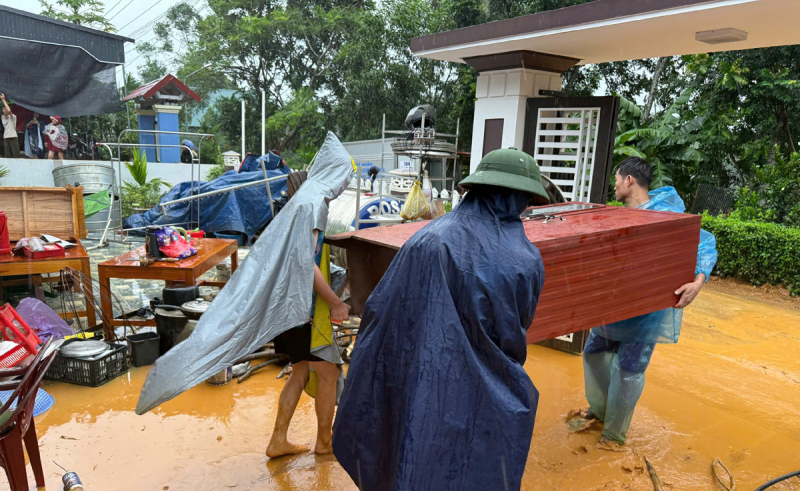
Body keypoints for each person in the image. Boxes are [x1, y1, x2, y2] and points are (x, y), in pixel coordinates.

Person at [332, 147, 551, 491]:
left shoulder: (426, 239)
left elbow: (381, 312)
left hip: (419, 378)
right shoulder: (526, 258)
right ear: (520, 198)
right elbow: (516, 331)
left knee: (411, 456)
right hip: (483, 391)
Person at [576, 157, 718, 446]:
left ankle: (614, 435)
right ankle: (602, 411)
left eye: (617, 178)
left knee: (629, 371)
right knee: (593, 354)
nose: (613, 184)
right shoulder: (619, 216)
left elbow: (704, 242)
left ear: (629, 180)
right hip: (613, 307)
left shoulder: (666, 216)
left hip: (646, 313)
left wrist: (698, 281)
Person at [1, 94, 20, 158]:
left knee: (15, 154)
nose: (4, 110)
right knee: (7, 155)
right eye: (3, 109)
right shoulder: (2, 117)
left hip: (13, 136)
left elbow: (9, 111)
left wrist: (3, 100)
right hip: (6, 137)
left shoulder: (13, 116)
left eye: (5, 109)